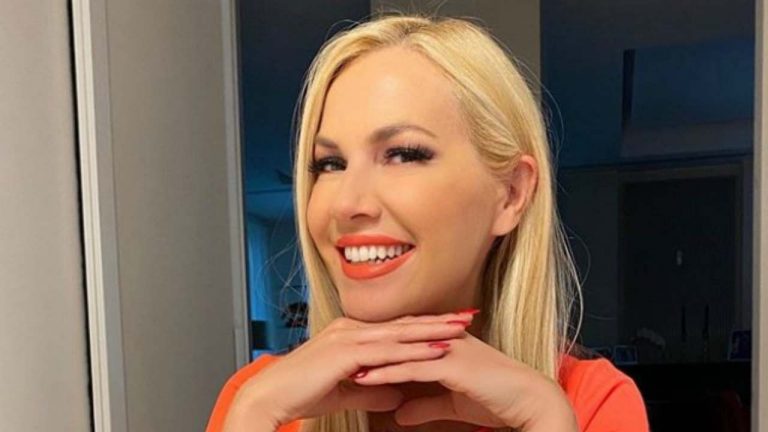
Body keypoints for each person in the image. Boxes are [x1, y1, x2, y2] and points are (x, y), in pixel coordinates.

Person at [207, 14, 649, 432]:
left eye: (403, 154)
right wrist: (251, 416)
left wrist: (546, 418)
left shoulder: (589, 401)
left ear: (511, 194)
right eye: (330, 164)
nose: (346, 203)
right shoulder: (259, 401)